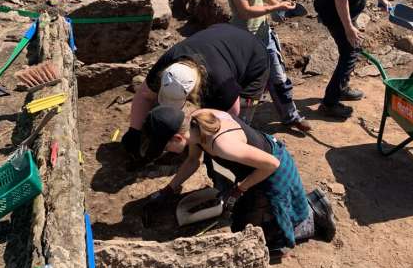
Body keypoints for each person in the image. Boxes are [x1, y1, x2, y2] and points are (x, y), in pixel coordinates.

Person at [141, 105, 336, 250]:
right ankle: (301, 206)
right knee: (241, 220)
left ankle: (315, 213)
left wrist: (240, 189)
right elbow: (193, 160)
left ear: (177, 138)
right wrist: (169, 189)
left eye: (165, 147)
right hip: (257, 168)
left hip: (272, 172)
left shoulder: (221, 145)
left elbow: (271, 165)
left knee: (259, 242)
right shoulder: (195, 122)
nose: (166, 152)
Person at [121, 23, 270, 159]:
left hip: (253, 58)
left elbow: (230, 116)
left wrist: (201, 142)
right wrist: (135, 131)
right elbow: (144, 96)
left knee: (233, 125)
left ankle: (240, 153)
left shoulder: (221, 83)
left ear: (192, 91)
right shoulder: (167, 66)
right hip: (218, 36)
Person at [225, 0, 311, 132]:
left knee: (279, 77)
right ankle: (240, 128)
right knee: (248, 87)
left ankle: (290, 116)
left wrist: (277, 5)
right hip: (244, 38)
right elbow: (244, 10)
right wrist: (274, 7)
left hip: (264, 32)